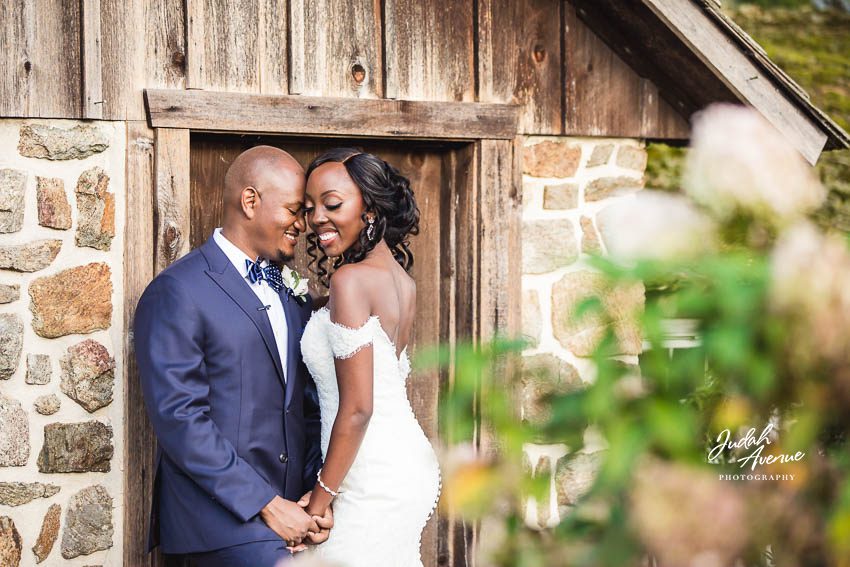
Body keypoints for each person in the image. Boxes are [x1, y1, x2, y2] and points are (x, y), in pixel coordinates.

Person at [134, 145, 332, 567]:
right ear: (249, 201)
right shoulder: (177, 291)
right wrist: (267, 504)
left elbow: (306, 409)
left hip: (292, 518)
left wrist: (312, 499)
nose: (303, 224)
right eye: (295, 210)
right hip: (217, 524)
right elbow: (180, 419)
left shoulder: (291, 295)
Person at [295, 148, 441, 566]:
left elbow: (358, 407)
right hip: (399, 461)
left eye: (332, 203)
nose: (317, 217)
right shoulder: (401, 282)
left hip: (371, 472)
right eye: (310, 208)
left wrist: (318, 503)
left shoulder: (351, 281)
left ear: (371, 208)